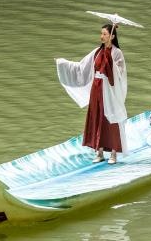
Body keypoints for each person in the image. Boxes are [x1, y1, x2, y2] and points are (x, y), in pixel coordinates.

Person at [55, 23, 128, 164]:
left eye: (105, 34)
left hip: (109, 90)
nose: (102, 36)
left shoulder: (117, 53)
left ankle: (113, 153)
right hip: (97, 88)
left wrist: (110, 59)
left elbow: (119, 74)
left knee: (111, 119)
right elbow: (81, 67)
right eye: (101, 34)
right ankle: (99, 151)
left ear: (112, 36)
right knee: (97, 118)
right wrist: (62, 63)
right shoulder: (97, 52)